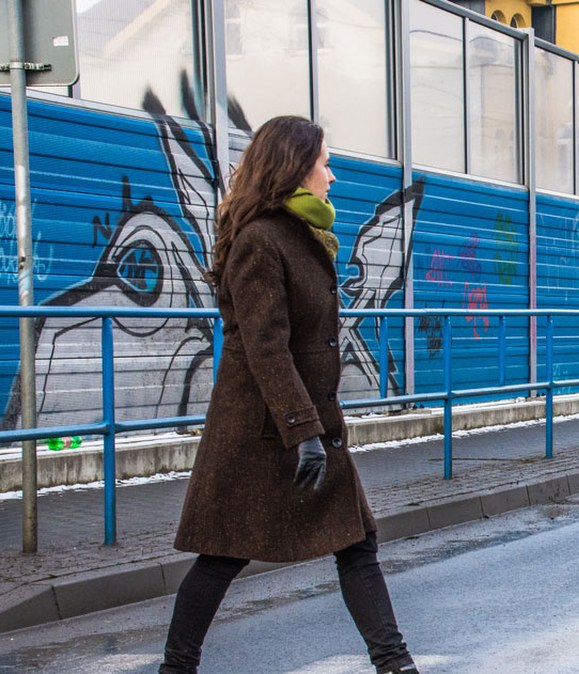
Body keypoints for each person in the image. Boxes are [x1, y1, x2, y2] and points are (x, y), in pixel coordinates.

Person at [160, 116, 417, 674]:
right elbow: (265, 349)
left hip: (305, 424)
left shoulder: (302, 234)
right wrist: (304, 433)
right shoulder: (260, 240)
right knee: (221, 557)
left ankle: (396, 664)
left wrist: (310, 429)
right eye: (325, 162)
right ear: (296, 167)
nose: (333, 175)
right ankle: (175, 668)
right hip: (261, 431)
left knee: (357, 545)